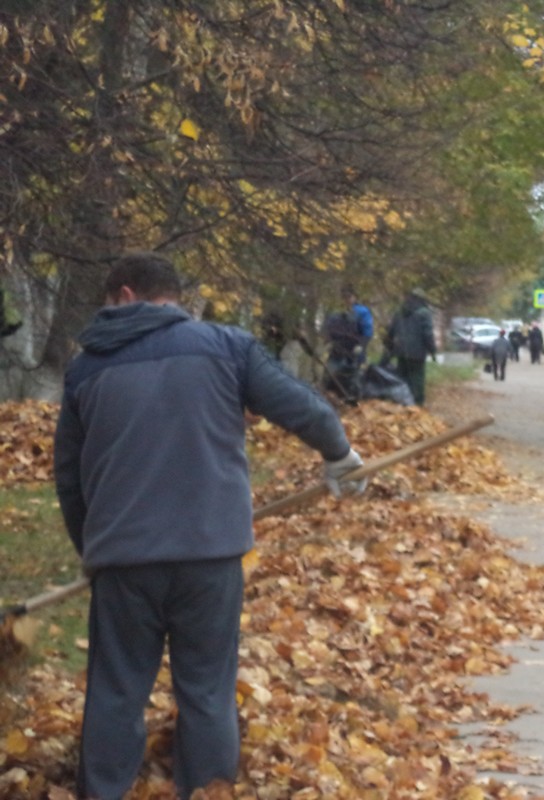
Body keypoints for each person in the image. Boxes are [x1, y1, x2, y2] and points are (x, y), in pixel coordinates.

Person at [53, 252, 367, 800]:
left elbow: (68, 478)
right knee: (206, 692)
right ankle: (208, 792)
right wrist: (339, 454)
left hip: (123, 561)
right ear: (174, 297)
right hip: (209, 555)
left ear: (124, 296)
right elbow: (303, 408)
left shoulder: (86, 369)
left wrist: (95, 549)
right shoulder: (226, 347)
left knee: (116, 693)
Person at [383, 287, 437, 405]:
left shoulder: (399, 312)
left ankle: (403, 404)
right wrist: (433, 350)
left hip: (401, 352)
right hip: (417, 353)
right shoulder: (424, 313)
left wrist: (389, 350)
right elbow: (427, 334)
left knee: (402, 379)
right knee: (417, 380)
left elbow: (390, 333)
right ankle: (416, 406)